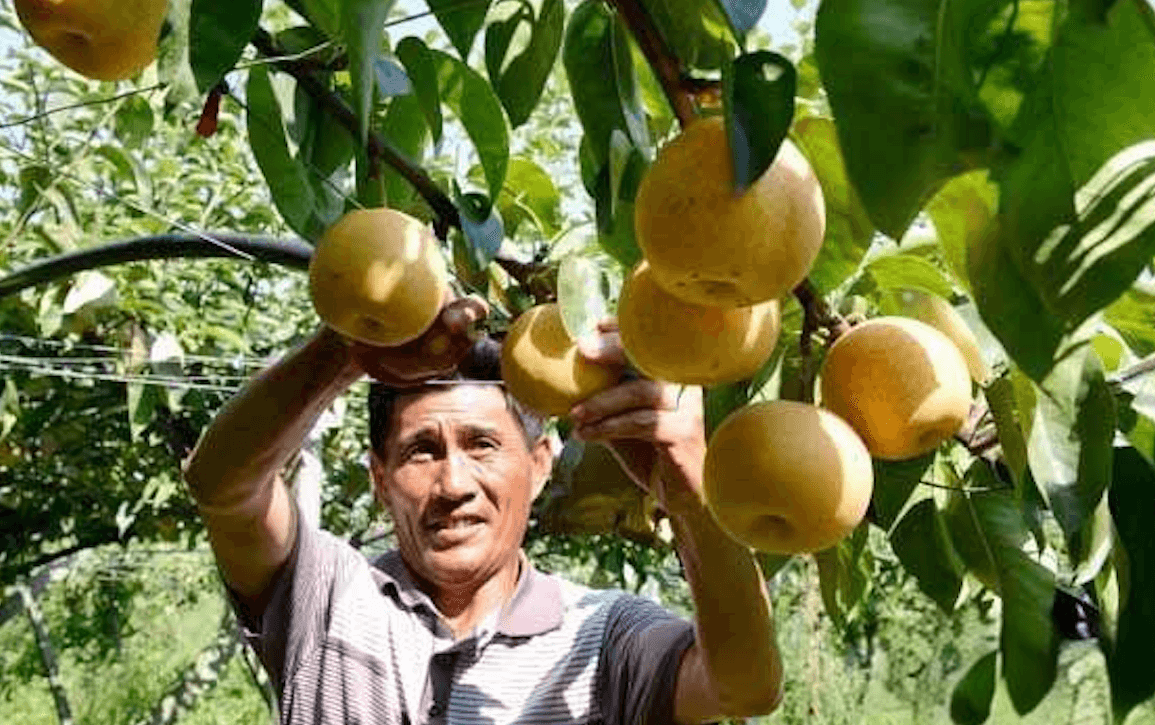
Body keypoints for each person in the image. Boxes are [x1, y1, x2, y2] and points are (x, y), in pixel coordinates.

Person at [183, 296, 783, 725]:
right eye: (421, 451)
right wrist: (344, 354)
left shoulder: (605, 638)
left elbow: (746, 688)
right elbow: (221, 485)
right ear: (380, 479)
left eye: (483, 445)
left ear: (540, 464)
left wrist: (691, 495)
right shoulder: (327, 599)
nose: (453, 484)